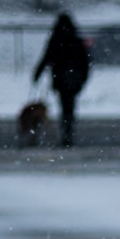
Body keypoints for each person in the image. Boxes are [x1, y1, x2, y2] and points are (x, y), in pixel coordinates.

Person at [33, 13, 90, 147]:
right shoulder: (76, 40)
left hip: (60, 78)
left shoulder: (55, 40)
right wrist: (83, 78)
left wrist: (37, 74)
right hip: (74, 79)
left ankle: (65, 133)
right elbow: (85, 62)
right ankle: (68, 132)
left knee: (64, 106)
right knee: (70, 107)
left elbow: (46, 58)